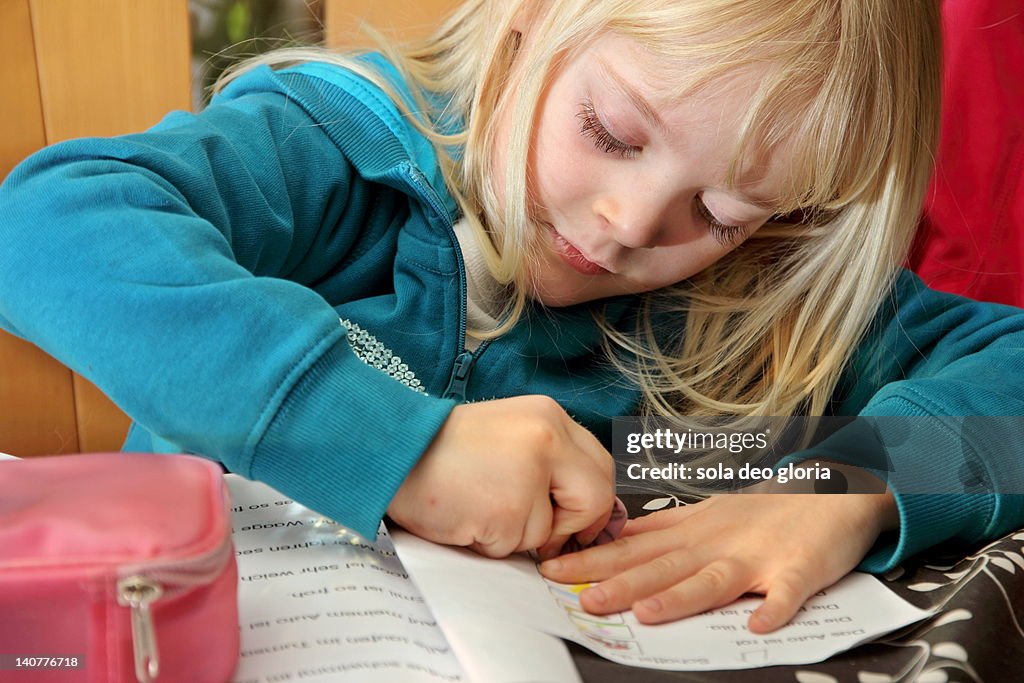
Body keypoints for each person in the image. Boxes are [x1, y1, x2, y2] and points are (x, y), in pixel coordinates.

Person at [1, 0, 1022, 636]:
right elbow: (43, 225)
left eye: (717, 212)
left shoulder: (758, 296)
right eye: (609, 131)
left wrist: (840, 480)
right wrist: (403, 447)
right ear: (534, 12)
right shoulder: (341, 161)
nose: (626, 224)